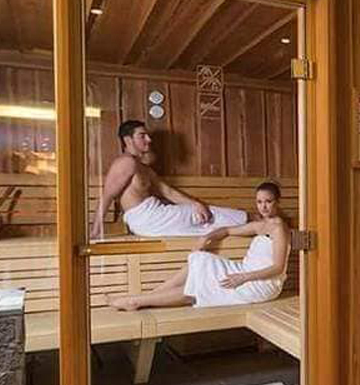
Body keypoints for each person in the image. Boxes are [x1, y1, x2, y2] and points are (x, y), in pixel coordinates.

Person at [108, 182, 289, 311]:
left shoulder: (279, 228)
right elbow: (227, 230)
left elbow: (277, 268)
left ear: (278, 202)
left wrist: (243, 278)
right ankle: (144, 298)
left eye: (268, 201)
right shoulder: (260, 225)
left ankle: (137, 301)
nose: (263, 207)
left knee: (202, 288)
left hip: (261, 284)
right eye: (259, 202)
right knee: (201, 259)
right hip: (246, 272)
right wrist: (206, 237)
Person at [92, 120, 248, 239]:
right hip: (146, 219)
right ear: (128, 140)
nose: (149, 139)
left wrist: (196, 204)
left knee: (205, 222)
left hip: (156, 217)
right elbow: (107, 196)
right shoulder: (126, 162)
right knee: (209, 216)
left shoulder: (144, 168)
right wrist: (95, 232)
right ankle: (253, 221)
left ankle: (253, 225)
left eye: (147, 135)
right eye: (142, 135)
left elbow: (168, 192)